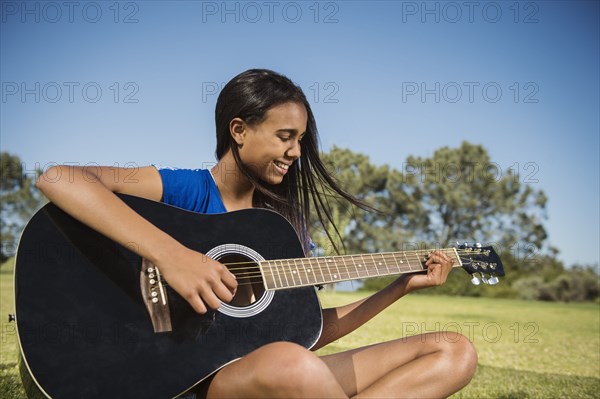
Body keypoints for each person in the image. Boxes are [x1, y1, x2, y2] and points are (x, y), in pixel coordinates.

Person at [37, 69, 477, 398]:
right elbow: (59, 178)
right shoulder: (187, 189)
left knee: (453, 351)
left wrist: (399, 287)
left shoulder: (278, 229)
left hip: (274, 372)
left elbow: (305, 332)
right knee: (296, 368)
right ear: (239, 131)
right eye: (285, 136)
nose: (295, 152)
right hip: (196, 378)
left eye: (301, 139)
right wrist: (173, 256)